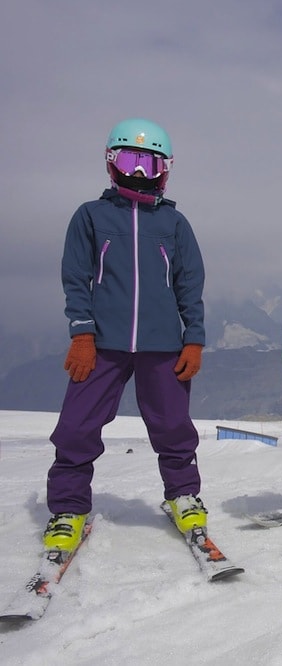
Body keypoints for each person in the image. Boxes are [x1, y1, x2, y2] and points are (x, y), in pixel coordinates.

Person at [44, 118, 207, 551]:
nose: (138, 172)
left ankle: (184, 496)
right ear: (111, 163)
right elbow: (75, 278)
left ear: (165, 169)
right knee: (76, 428)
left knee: (174, 427)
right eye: (130, 160)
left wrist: (194, 337)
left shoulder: (174, 224)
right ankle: (68, 508)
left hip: (163, 346)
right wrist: (82, 334)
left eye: (149, 164)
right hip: (101, 346)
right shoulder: (91, 216)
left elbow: (190, 283)